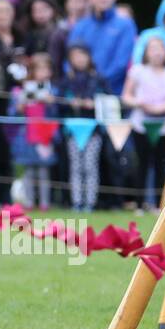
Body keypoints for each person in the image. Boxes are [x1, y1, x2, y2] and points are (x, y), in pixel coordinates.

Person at [121, 36, 165, 211]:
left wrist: (161, 108)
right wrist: (140, 103)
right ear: (146, 52)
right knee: (141, 164)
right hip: (141, 124)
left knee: (162, 165)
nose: (156, 52)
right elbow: (126, 96)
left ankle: (159, 204)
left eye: (160, 48)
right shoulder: (137, 71)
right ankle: (139, 204)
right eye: (152, 48)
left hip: (164, 126)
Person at [58, 41, 107, 213]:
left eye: (82, 55)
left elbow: (108, 103)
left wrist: (93, 104)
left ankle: (90, 202)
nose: (79, 60)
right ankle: (77, 202)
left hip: (93, 131)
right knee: (76, 166)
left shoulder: (98, 79)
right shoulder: (66, 81)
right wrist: (70, 103)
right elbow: (59, 105)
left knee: (90, 165)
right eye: (75, 56)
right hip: (72, 131)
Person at [68, 0, 137, 94]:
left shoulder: (125, 25)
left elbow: (121, 62)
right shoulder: (81, 26)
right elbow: (69, 58)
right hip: (81, 93)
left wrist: (98, 84)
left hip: (113, 91)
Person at [9, 52, 59, 208]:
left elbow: (57, 114)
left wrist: (51, 102)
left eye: (46, 69)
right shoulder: (21, 90)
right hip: (27, 136)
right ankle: (29, 202)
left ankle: (45, 203)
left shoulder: (53, 90)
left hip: (44, 136)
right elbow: (13, 113)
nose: (43, 73)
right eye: (40, 69)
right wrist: (20, 106)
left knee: (44, 171)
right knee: (29, 170)